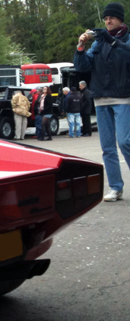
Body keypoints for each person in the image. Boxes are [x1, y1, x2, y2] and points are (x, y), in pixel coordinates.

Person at [75, 2, 130, 201]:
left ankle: (117, 186)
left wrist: (112, 41)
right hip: (100, 97)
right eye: (106, 18)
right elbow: (82, 67)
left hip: (123, 96)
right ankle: (116, 187)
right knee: (107, 147)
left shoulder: (127, 39)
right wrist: (80, 47)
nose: (108, 20)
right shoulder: (98, 43)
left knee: (125, 141)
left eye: (112, 17)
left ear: (121, 19)